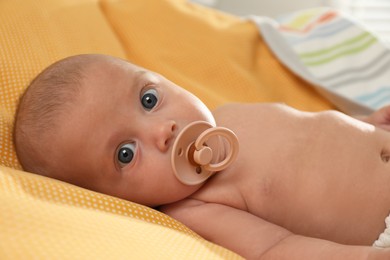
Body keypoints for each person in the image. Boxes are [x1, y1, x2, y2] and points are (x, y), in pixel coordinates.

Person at [13, 54, 390, 259]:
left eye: (149, 99)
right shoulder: (197, 209)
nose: (162, 132)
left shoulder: (225, 114)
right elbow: (278, 249)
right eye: (126, 154)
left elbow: (312, 132)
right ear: (114, 198)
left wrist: (365, 123)